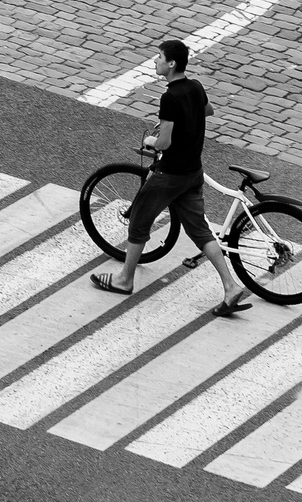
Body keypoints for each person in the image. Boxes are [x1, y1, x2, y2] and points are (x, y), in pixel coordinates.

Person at [91, 39, 250, 315]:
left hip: (170, 174)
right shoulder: (196, 87)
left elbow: (164, 143)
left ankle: (124, 279)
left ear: (171, 64)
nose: (156, 61)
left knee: (139, 220)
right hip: (193, 173)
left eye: (159, 57)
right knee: (200, 231)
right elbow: (207, 111)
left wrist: (152, 139)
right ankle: (231, 287)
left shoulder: (170, 97)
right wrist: (184, 121)